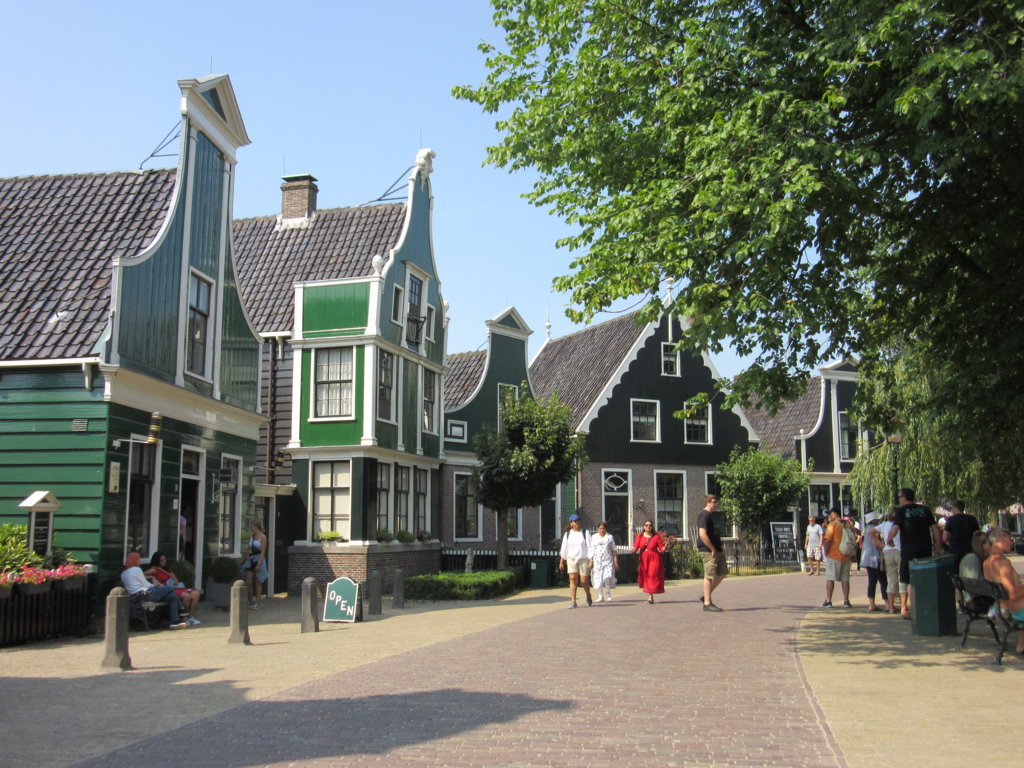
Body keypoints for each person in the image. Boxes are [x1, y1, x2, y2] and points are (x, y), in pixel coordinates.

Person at [886, 488, 940, 617]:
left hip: (909, 549)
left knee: (907, 578)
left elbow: (895, 528)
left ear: (904, 498)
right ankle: (925, 606)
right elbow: (934, 528)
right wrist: (938, 544)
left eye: (900, 497)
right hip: (925, 548)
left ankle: (910, 607)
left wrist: (889, 539)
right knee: (925, 576)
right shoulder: (925, 509)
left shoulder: (901, 511)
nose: (899, 499)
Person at [982, 527, 1024, 655]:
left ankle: (1021, 644)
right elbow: (1012, 594)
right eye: (1008, 539)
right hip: (1014, 608)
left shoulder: (986, 562)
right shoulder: (1002, 562)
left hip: (1002, 606)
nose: (1011, 541)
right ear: (999, 539)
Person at [120, 552, 188, 630]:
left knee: (172, 596)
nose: (139, 562)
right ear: (135, 560)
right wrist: (154, 585)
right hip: (147, 595)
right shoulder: (136, 569)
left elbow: (134, 584)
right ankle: (181, 609)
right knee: (169, 587)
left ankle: (175, 622)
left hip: (135, 598)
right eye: (138, 560)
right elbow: (146, 585)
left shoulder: (123, 574)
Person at [148, 551, 201, 625]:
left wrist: (175, 581)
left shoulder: (167, 569)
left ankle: (190, 617)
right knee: (187, 596)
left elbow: (176, 579)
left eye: (165, 559)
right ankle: (184, 617)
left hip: (176, 587)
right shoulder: (154, 569)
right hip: (168, 589)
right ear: (157, 561)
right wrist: (152, 579)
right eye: (162, 560)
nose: (164, 561)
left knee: (196, 594)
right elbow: (142, 575)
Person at [697, 495, 727, 612]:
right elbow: (702, 534)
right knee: (709, 575)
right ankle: (707, 603)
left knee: (723, 572)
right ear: (708, 502)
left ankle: (706, 594)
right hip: (708, 550)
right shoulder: (704, 515)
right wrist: (712, 548)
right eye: (714, 502)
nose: (716, 504)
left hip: (717, 549)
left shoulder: (711, 516)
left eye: (716, 502)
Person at [558, 513, 593, 608]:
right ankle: (573, 601)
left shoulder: (585, 533)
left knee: (584, 581)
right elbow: (564, 548)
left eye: (578, 521)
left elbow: (590, 547)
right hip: (571, 558)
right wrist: (561, 561)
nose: (577, 523)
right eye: (575, 521)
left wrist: (591, 559)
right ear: (571, 523)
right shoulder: (568, 534)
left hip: (583, 559)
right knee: (573, 579)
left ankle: (588, 594)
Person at [822, 508, 852, 608]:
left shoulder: (833, 524)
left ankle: (829, 601)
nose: (828, 516)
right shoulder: (846, 524)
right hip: (846, 555)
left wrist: (826, 552)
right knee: (845, 579)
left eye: (830, 513)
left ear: (835, 514)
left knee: (830, 578)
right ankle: (846, 601)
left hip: (834, 554)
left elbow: (827, 540)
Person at [633, 520, 665, 604]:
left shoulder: (656, 536)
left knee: (652, 575)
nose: (648, 526)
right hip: (644, 560)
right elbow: (636, 546)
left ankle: (650, 597)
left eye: (650, 525)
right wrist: (633, 550)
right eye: (646, 525)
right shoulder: (639, 536)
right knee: (646, 576)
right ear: (644, 527)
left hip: (654, 559)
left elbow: (661, 547)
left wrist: (664, 548)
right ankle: (650, 595)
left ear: (652, 527)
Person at [860, 514, 887, 612]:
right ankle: (887, 604)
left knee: (872, 581)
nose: (879, 520)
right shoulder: (873, 529)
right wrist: (886, 547)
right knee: (883, 581)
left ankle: (871, 604)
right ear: (873, 520)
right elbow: (877, 543)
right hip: (875, 558)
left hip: (867, 559)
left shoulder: (867, 528)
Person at [943, 500, 980, 568]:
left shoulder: (950, 520)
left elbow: (944, 538)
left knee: (956, 571)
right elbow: (978, 535)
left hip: (955, 551)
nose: (951, 510)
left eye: (952, 508)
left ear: (956, 508)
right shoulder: (972, 519)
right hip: (969, 550)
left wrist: (950, 544)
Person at [877, 508, 901, 613]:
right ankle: (904, 606)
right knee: (904, 578)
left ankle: (891, 607)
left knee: (891, 580)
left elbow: (871, 532)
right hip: (900, 550)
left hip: (888, 552)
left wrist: (880, 544)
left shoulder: (884, 525)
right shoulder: (901, 524)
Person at [590, 521, 619, 602]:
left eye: (603, 528)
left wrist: (616, 561)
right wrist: (591, 560)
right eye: (600, 528)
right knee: (598, 578)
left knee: (607, 577)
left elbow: (614, 550)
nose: (601, 530)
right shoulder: (594, 537)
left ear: (606, 529)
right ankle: (600, 596)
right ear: (597, 529)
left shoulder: (609, 537)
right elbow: (591, 550)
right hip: (597, 561)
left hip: (608, 561)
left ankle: (608, 593)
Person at [244, 521, 269, 609]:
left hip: (258, 559)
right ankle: (251, 600)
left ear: (256, 527)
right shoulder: (251, 537)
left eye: (252, 526)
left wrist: (259, 564)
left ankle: (257, 603)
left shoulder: (263, 537)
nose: (251, 528)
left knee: (258, 581)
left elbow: (263, 551)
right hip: (250, 559)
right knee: (248, 582)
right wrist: (246, 557)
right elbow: (248, 549)